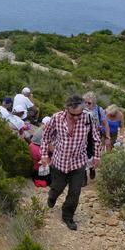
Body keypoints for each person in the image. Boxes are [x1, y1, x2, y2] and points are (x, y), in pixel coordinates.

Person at [41, 95, 100, 231]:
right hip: (59, 161)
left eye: (78, 114)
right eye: (73, 115)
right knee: (58, 187)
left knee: (75, 192)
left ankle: (67, 216)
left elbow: (96, 138)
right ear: (66, 109)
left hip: (78, 163)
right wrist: (44, 154)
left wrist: (97, 156)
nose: (76, 118)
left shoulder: (89, 118)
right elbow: (45, 136)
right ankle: (52, 195)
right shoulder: (56, 118)